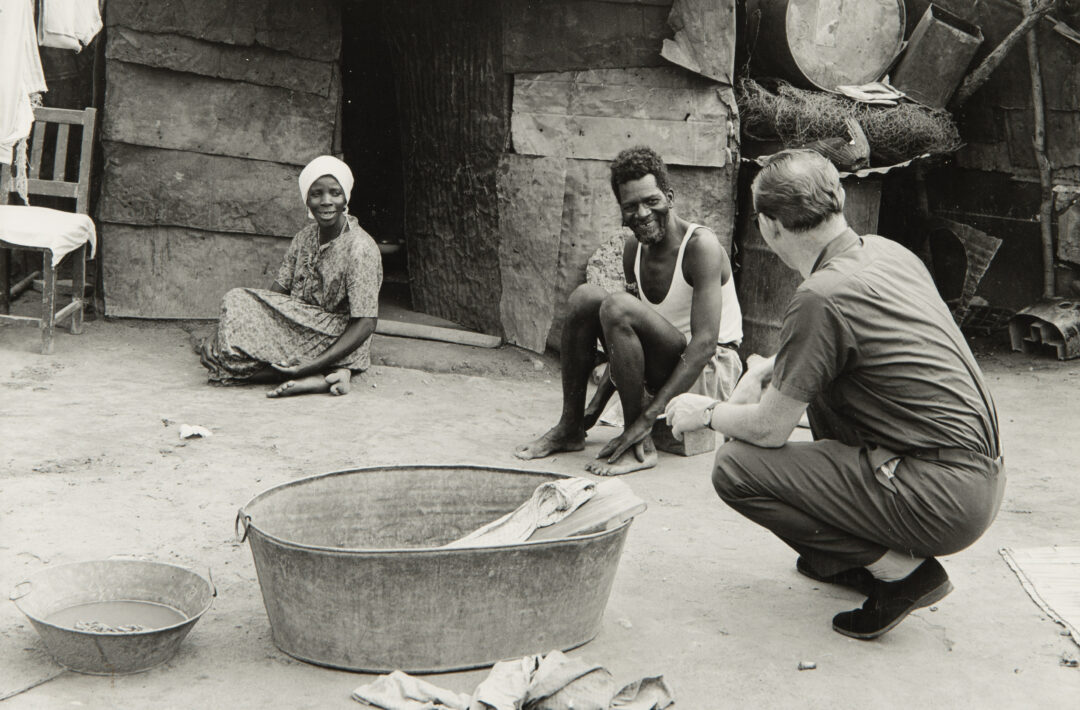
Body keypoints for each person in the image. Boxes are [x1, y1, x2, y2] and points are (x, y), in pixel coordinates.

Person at [664, 149, 1004, 639]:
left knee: (736, 468)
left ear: (771, 227)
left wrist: (709, 411)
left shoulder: (819, 297)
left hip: (942, 497)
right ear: (840, 198)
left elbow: (767, 429)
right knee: (811, 390)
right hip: (979, 480)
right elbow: (848, 352)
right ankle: (846, 554)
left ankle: (900, 572)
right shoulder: (887, 252)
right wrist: (765, 374)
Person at [516, 146, 743, 475]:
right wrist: (592, 409)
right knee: (585, 298)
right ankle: (570, 428)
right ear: (620, 211)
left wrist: (643, 422)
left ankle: (637, 440)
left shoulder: (700, 247)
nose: (643, 213)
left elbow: (705, 345)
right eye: (631, 206)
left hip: (708, 370)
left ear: (669, 196)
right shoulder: (633, 250)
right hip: (664, 364)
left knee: (617, 305)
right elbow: (623, 338)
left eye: (652, 201)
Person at [200, 155, 382, 398]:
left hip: (335, 334)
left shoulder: (360, 248)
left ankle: (312, 373)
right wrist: (223, 328)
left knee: (227, 362)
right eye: (316, 194)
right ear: (306, 199)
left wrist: (312, 363)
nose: (326, 202)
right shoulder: (305, 237)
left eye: (335, 193)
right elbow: (274, 295)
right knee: (234, 306)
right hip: (298, 323)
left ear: (346, 197)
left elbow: (366, 322)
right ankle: (332, 375)